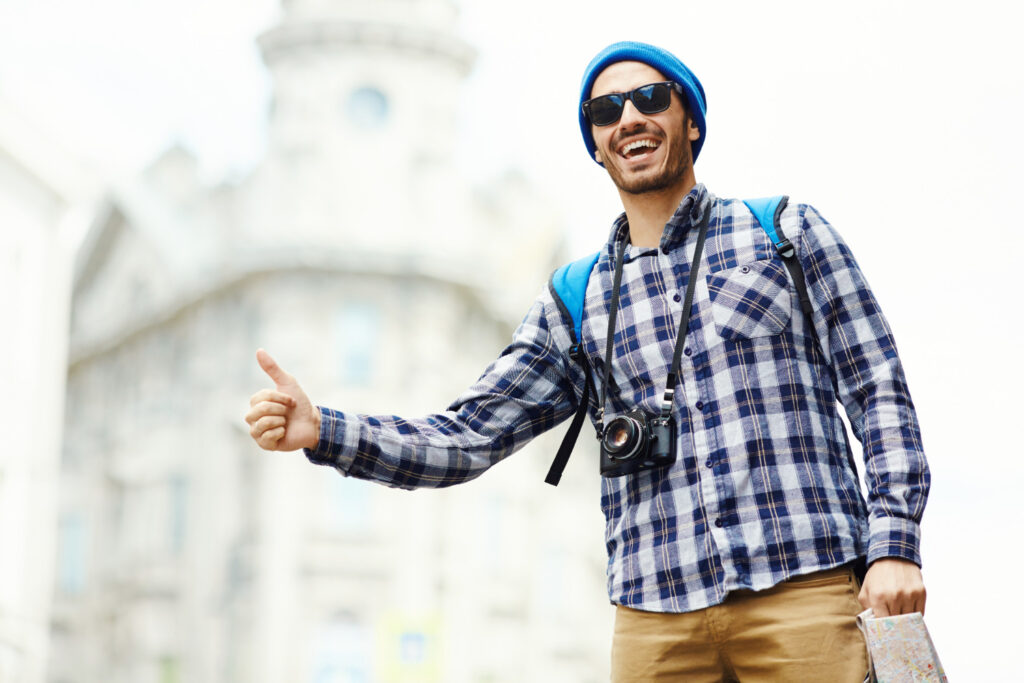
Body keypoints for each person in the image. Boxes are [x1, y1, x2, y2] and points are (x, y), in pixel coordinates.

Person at [245, 41, 930, 681]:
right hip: (654, 616)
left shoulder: (784, 234)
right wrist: (324, 429)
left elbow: (878, 388)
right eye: (605, 111)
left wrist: (894, 539)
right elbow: (467, 434)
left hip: (803, 586)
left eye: (651, 98)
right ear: (598, 146)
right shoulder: (577, 298)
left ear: (689, 121)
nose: (628, 116)